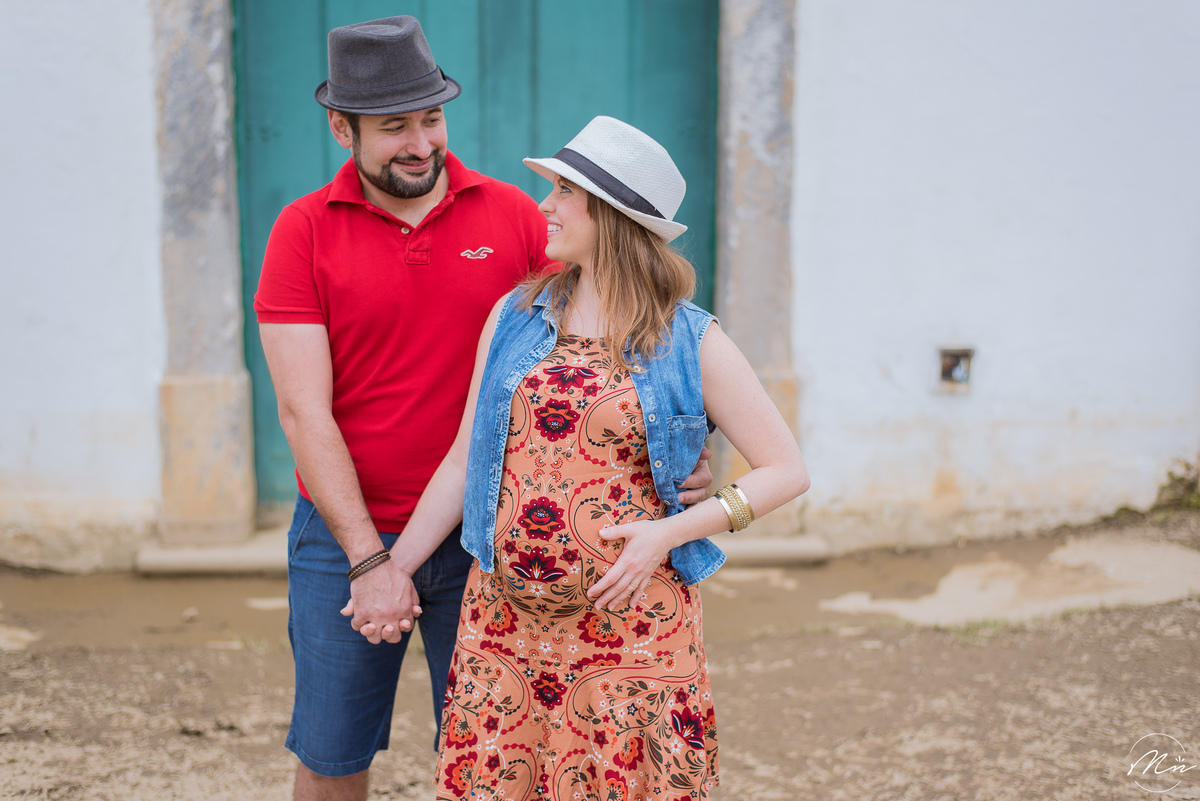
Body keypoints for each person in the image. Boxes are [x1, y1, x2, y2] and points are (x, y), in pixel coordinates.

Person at [253, 17, 713, 801]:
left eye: (430, 118)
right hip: (342, 534)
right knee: (331, 755)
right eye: (393, 126)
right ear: (341, 128)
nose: (420, 143)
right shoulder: (301, 231)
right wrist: (370, 561)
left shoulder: (514, 217)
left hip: (492, 537)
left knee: (490, 750)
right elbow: (304, 414)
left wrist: (688, 455)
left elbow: (623, 335)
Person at [348, 116, 810, 800]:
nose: (545, 205)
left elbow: (786, 470)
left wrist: (669, 532)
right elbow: (461, 463)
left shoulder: (690, 338)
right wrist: (393, 571)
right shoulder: (514, 315)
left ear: (613, 214)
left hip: (634, 635)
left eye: (564, 190)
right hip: (507, 631)